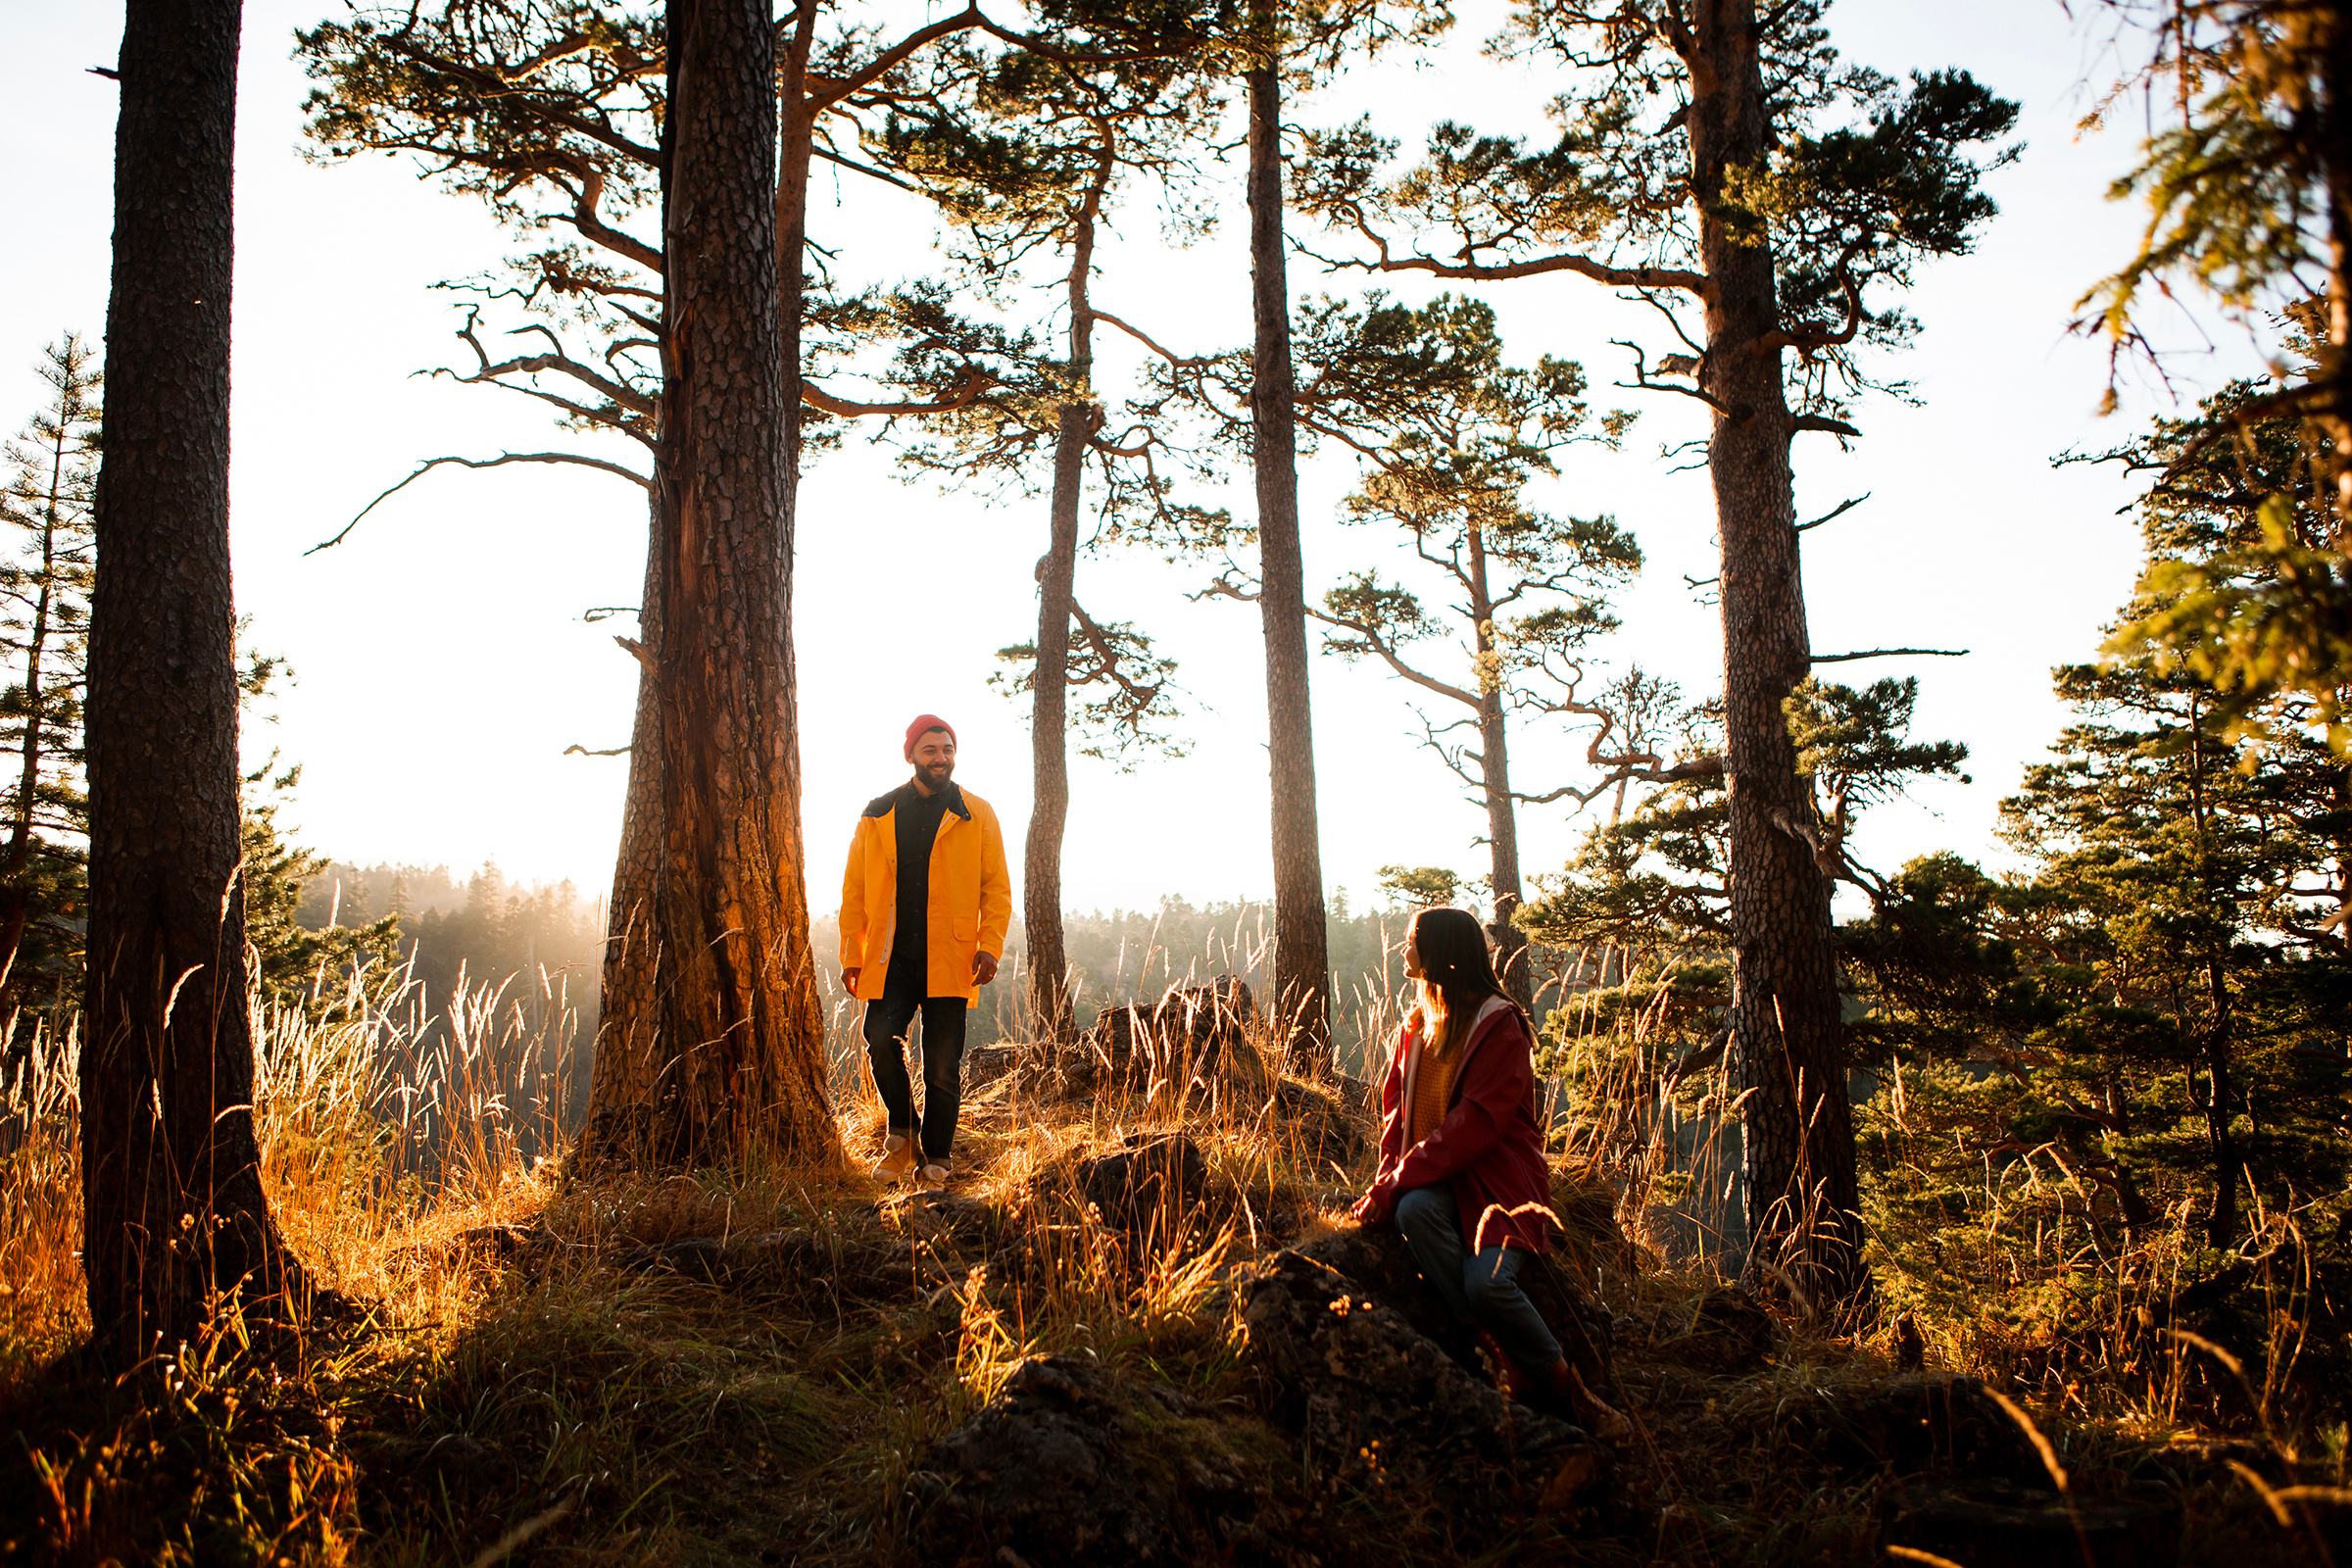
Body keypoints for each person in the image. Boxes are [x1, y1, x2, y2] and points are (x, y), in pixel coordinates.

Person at [1350, 906, 1631, 1442]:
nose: (1403, 950)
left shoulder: (1499, 1025)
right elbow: (1398, 1122)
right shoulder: (1414, 1029)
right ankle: (1496, 1349)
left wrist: (1396, 1180)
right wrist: (1388, 1183)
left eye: (1412, 941)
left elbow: (1475, 1126)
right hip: (1436, 1181)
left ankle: (1571, 1391)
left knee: (1489, 1286)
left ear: (1441, 953)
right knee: (1413, 1211)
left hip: (1495, 1185)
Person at [839, 715, 1010, 1185]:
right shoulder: (878, 813)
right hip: (889, 957)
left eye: (948, 749)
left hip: (951, 958)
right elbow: (853, 890)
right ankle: (903, 1133)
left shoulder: (978, 813)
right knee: (879, 1040)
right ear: (911, 754)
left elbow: (996, 889)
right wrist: (851, 954)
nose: (941, 758)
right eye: (931, 750)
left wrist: (990, 946)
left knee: (940, 1063)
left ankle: (937, 1158)